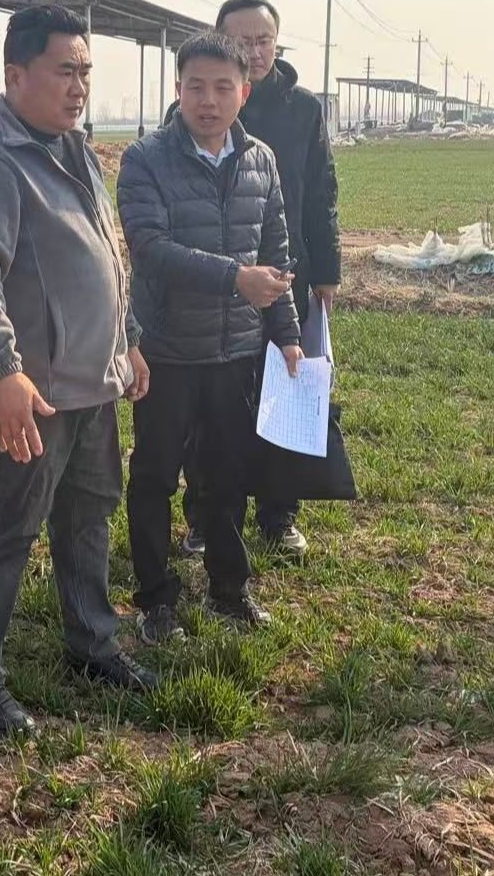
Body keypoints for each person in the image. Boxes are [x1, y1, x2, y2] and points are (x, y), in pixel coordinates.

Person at [0, 5, 155, 736]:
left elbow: (107, 256)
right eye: (65, 70)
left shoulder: (75, 148)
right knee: (5, 531)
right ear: (16, 74)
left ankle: (92, 643)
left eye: (85, 70)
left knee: (88, 518)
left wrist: (127, 340)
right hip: (30, 394)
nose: (79, 85)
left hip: (93, 382)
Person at [118, 32, 302, 644]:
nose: (208, 100)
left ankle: (230, 589)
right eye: (195, 86)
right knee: (155, 476)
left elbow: (276, 254)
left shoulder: (260, 160)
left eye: (223, 87)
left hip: (236, 351)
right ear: (178, 90)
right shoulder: (145, 159)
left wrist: (287, 333)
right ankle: (155, 598)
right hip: (167, 349)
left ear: (244, 93)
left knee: (227, 477)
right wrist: (235, 279)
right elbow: (151, 249)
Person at [179, 0, 341, 557]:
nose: (253, 50)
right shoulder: (201, 106)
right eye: (241, 40)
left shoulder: (304, 110)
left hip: (284, 278)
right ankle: (205, 516)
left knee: (285, 393)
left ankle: (279, 512)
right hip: (214, 283)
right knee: (210, 406)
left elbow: (321, 193)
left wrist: (326, 271)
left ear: (277, 43)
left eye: (263, 40)